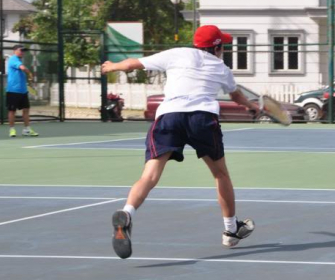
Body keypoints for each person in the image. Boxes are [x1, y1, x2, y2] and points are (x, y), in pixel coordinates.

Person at [100, 25, 260, 259]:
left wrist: (112, 66)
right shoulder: (221, 68)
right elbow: (236, 96)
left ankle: (127, 212)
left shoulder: (177, 54)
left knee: (149, 176)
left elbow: (134, 63)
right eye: (222, 44)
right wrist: (252, 106)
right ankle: (230, 229)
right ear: (217, 47)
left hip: (169, 116)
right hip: (201, 118)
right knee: (220, 175)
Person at [6, 44, 38, 137]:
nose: (23, 52)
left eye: (24, 51)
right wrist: (30, 74)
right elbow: (23, 68)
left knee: (26, 110)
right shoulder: (13, 59)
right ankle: (12, 130)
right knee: (12, 110)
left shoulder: (19, 60)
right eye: (21, 50)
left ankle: (27, 129)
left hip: (23, 91)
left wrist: (28, 80)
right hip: (13, 90)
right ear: (15, 50)